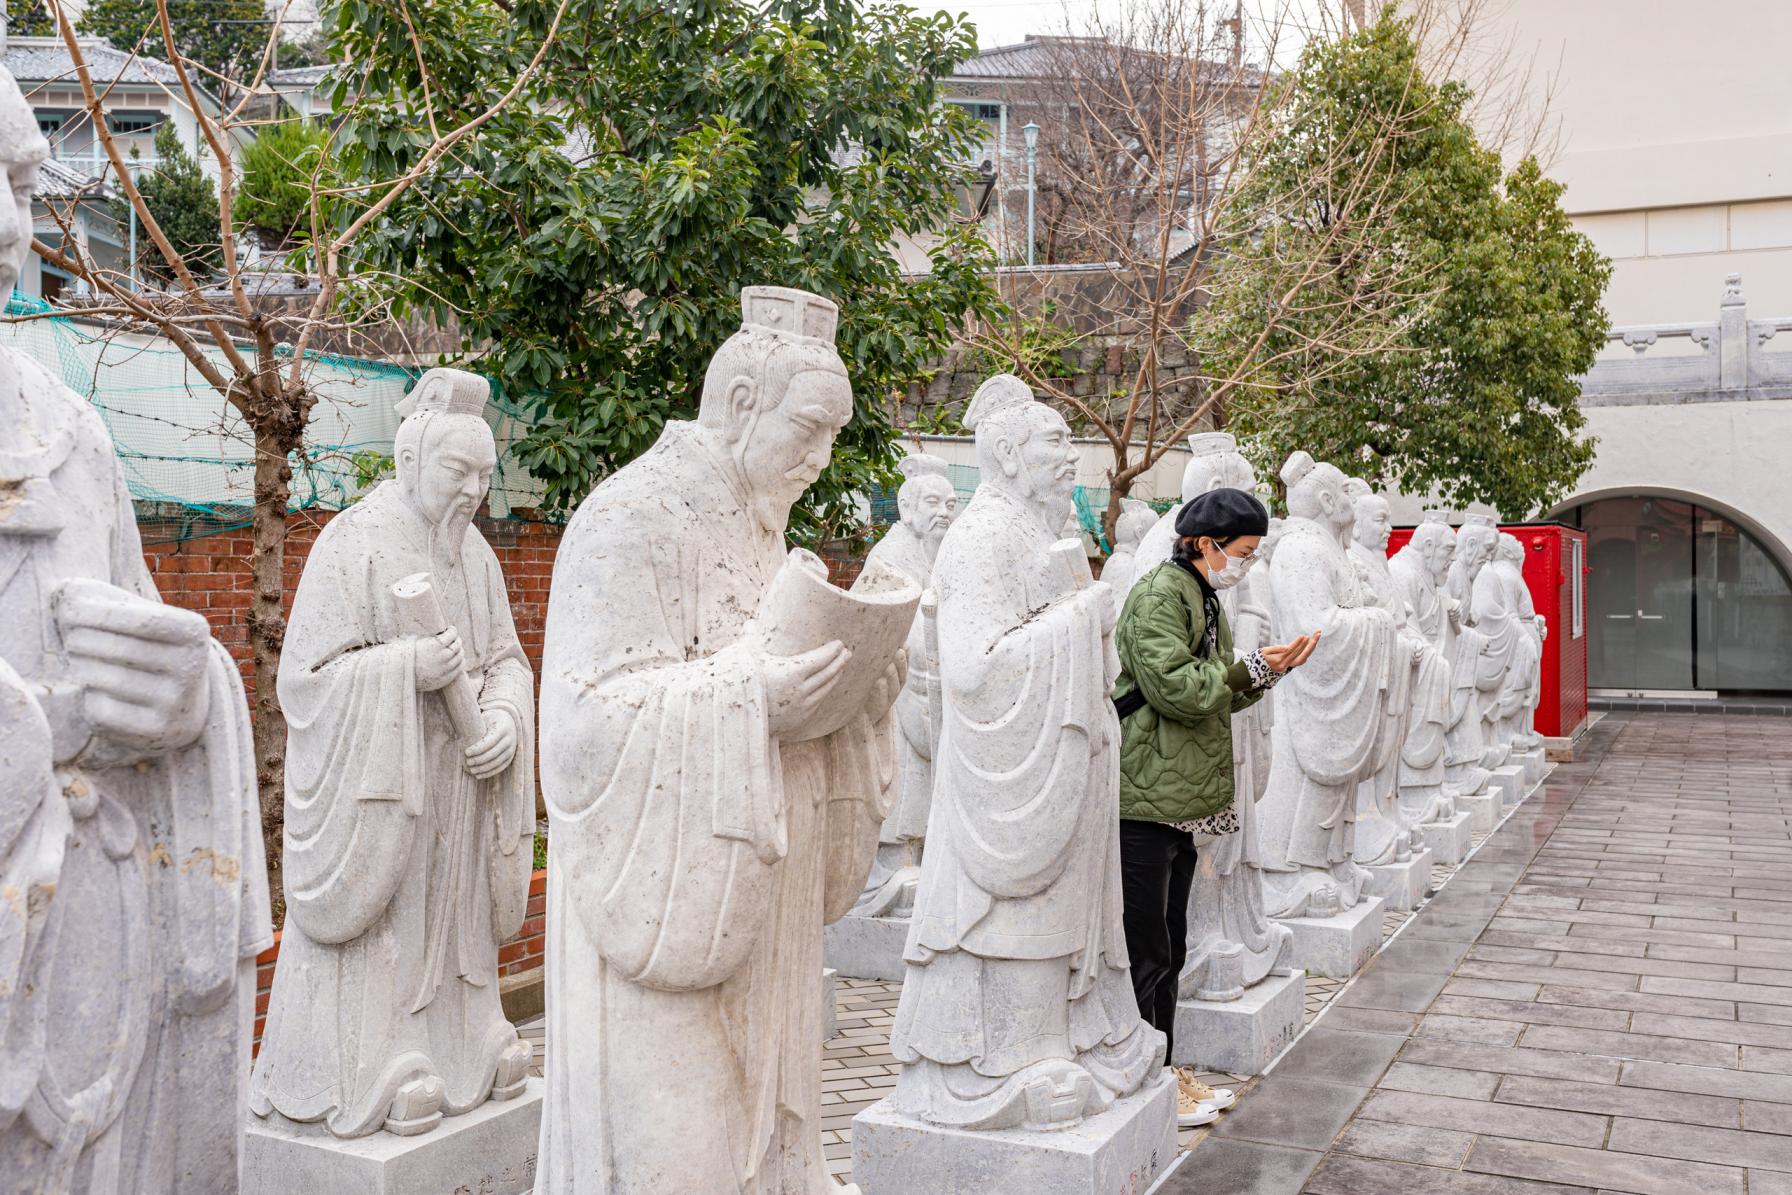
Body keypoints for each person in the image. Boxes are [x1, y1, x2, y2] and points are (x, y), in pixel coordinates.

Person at [1112, 487, 1317, 1127]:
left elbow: (1216, 694)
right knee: (1146, 948)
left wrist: (1267, 671)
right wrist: (1245, 668)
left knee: (1168, 944)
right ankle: (1144, 1076)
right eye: (1244, 552)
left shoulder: (1204, 597)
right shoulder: (1157, 596)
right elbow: (1176, 689)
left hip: (1179, 796)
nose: (1247, 565)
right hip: (1143, 796)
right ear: (1205, 543)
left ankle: (1161, 1069)